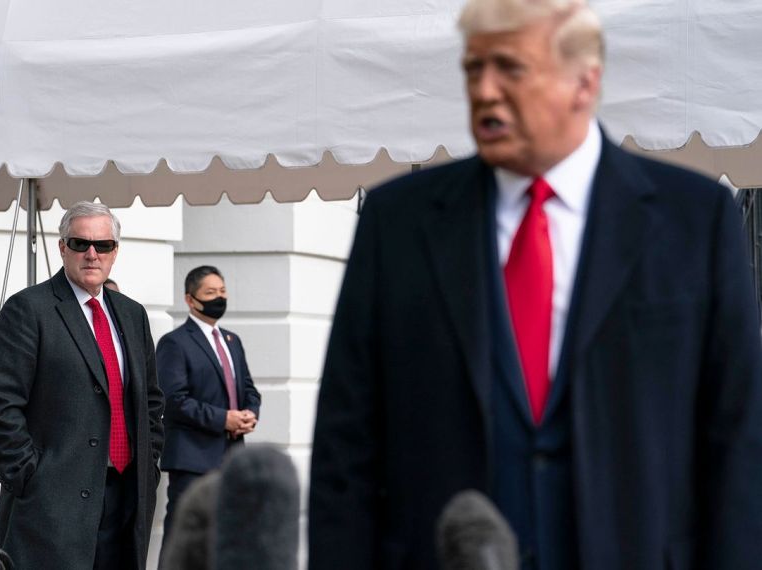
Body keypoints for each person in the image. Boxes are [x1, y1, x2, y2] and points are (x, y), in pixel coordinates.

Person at [308, 1, 762, 569]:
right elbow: (345, 450)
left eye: (511, 68)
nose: (486, 91)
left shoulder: (693, 220)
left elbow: (736, 443)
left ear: (584, 82)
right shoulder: (397, 224)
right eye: (474, 70)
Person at [0, 201, 164, 570]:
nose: (92, 254)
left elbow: (151, 400)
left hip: (126, 500)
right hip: (52, 505)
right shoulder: (29, 310)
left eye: (103, 245)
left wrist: (151, 463)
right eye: (80, 244)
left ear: (115, 252)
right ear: (63, 247)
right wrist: (30, 476)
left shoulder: (131, 313)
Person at [156, 265, 261, 547]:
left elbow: (249, 389)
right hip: (193, 461)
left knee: (227, 541)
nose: (219, 298)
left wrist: (250, 414)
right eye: (210, 292)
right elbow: (174, 400)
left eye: (223, 291)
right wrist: (223, 419)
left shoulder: (232, 341)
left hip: (231, 459)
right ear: (190, 299)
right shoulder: (174, 343)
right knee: (185, 540)